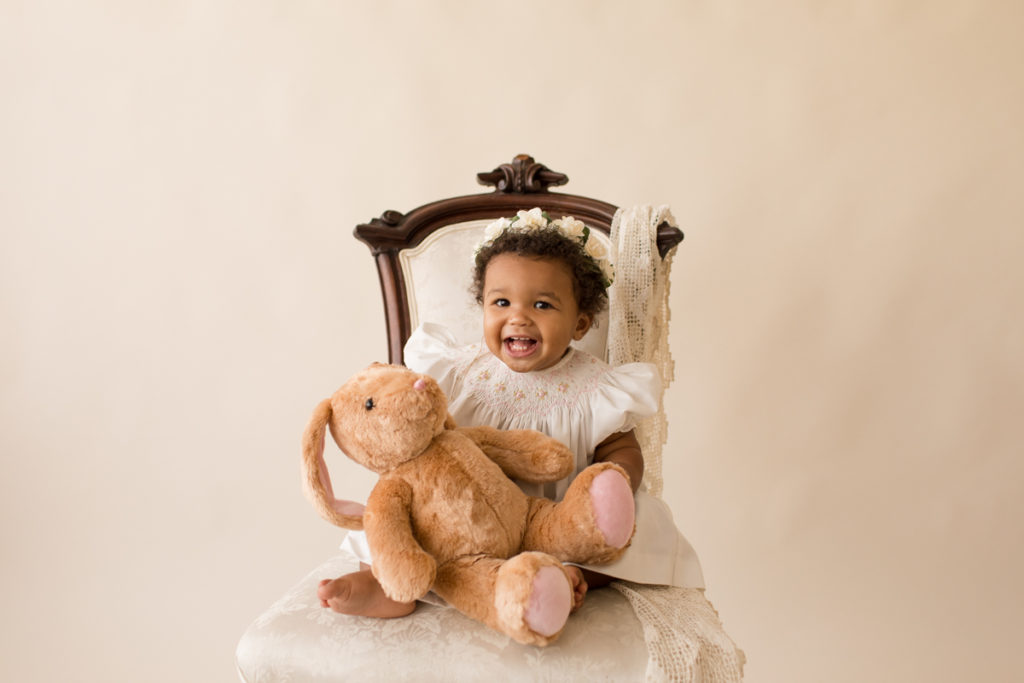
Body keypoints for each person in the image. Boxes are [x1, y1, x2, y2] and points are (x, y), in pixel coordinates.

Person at [318, 208, 703, 618]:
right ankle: (384, 585)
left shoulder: (597, 387)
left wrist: (614, 480)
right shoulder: (458, 371)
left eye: (542, 304)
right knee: (394, 518)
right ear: (482, 306)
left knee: (627, 527)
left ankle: (570, 574)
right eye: (501, 301)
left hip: (553, 522)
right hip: (464, 519)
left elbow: (621, 445)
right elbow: (423, 433)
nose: (517, 317)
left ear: (580, 323)